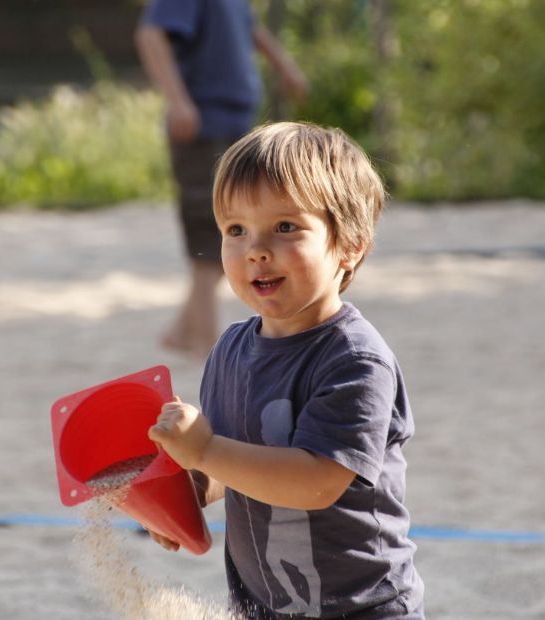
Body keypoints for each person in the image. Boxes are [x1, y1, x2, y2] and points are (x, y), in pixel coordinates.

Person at [148, 122, 425, 619]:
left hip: (363, 607)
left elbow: (317, 481)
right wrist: (191, 487)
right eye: (236, 230)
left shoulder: (354, 360)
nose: (256, 249)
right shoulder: (229, 351)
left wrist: (205, 450)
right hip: (264, 605)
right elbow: (243, 459)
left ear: (350, 245)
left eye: (285, 227)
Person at [135, 0, 308, 360]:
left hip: (235, 123)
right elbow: (150, 35)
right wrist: (178, 101)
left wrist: (286, 66)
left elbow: (250, 27)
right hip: (202, 127)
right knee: (213, 238)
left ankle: (182, 330)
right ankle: (206, 345)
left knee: (239, 229)